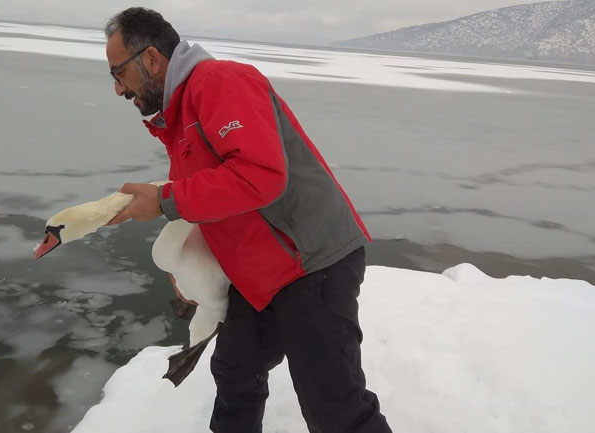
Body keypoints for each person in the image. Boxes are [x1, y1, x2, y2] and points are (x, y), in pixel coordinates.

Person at [103, 7, 392, 433]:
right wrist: (190, 266)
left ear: (149, 59)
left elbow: (259, 175)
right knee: (236, 372)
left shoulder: (220, 83)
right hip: (261, 275)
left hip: (311, 263)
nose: (116, 88)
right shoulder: (179, 117)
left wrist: (164, 199)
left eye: (118, 72)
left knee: (336, 408)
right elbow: (216, 202)